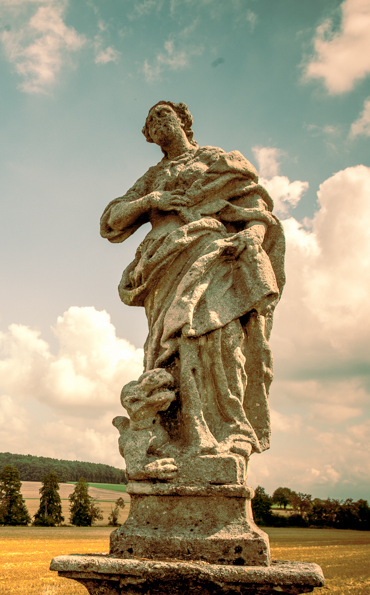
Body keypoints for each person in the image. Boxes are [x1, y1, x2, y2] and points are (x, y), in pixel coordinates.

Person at [100, 101, 285, 459]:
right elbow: (112, 221)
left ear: (183, 121)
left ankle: (229, 429)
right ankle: (177, 434)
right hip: (164, 264)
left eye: (163, 114)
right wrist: (152, 200)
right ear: (148, 136)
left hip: (212, 255)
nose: (156, 121)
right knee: (171, 347)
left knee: (220, 337)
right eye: (150, 121)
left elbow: (255, 206)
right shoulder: (154, 176)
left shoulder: (215, 160)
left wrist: (254, 234)